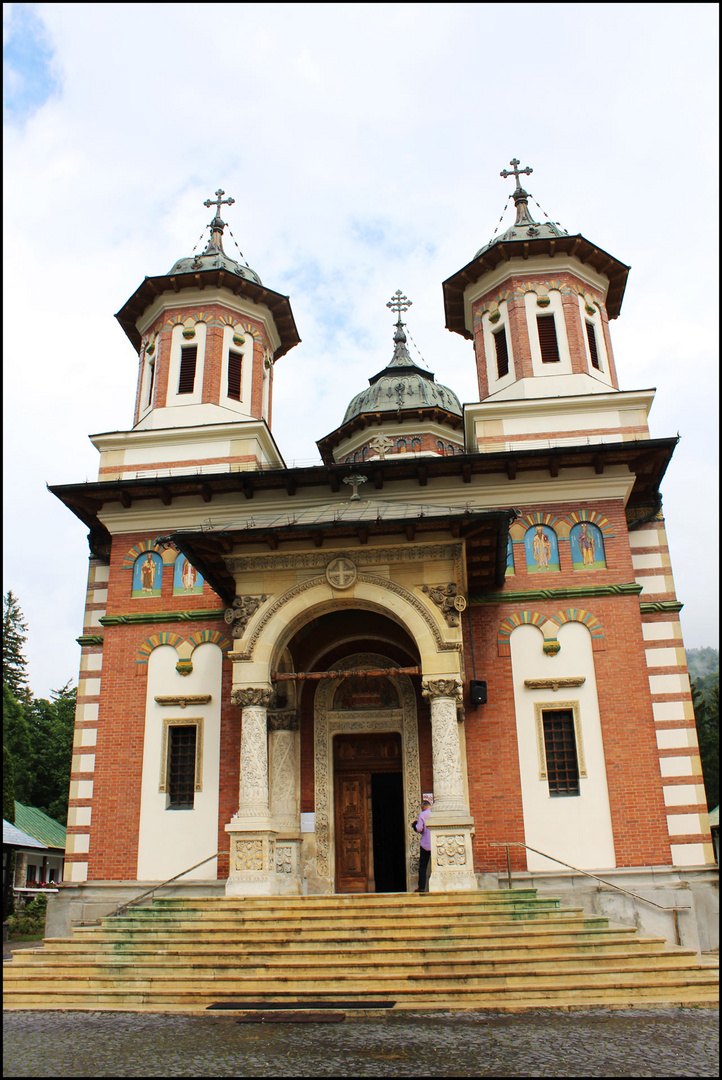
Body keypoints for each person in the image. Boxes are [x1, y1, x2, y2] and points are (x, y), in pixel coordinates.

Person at [413, 799, 432, 893]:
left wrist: (415, 826)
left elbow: (420, 829)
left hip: (425, 843)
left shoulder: (423, 815)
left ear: (423, 807)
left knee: (423, 866)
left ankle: (422, 887)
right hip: (436, 842)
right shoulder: (435, 813)